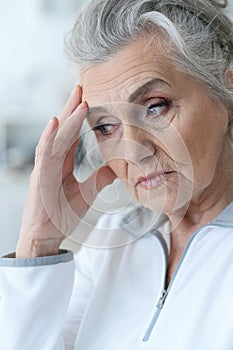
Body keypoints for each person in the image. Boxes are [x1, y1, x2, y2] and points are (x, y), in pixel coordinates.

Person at [0, 0, 233, 349]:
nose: (134, 149)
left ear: (225, 93)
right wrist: (38, 243)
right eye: (106, 126)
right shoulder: (115, 236)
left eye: (155, 106)